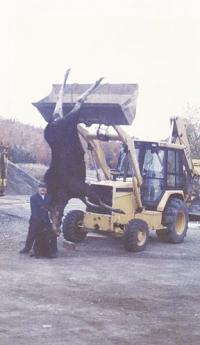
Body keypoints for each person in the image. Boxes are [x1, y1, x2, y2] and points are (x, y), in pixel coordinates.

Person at [19, 182, 57, 258]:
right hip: (35, 220)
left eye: (44, 188)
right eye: (41, 187)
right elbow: (34, 211)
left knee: (52, 234)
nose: (43, 189)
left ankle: (53, 250)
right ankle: (27, 248)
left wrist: (54, 213)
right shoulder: (33, 198)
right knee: (31, 235)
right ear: (38, 189)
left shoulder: (49, 197)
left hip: (46, 220)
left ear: (46, 190)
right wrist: (40, 222)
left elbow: (51, 208)